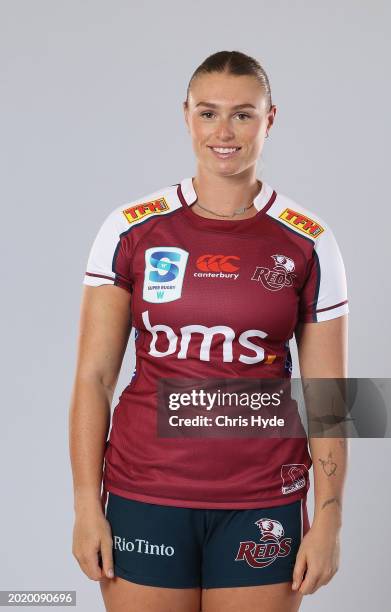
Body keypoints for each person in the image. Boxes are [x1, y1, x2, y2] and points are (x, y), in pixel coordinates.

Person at [69, 50, 349, 612]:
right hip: (143, 491)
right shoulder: (131, 230)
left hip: (264, 498)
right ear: (186, 116)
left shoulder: (309, 241)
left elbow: (328, 401)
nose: (224, 131)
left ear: (270, 120)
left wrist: (329, 518)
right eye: (208, 113)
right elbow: (95, 378)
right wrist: (84, 506)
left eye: (243, 114)